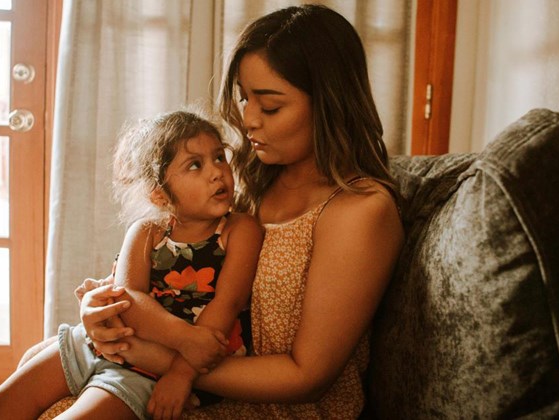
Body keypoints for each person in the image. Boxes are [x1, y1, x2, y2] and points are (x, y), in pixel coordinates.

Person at [77, 4, 405, 419]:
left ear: (329, 104)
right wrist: (104, 311)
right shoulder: (249, 186)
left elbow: (307, 378)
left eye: (269, 107)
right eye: (244, 99)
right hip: (181, 380)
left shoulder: (360, 212)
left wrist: (159, 360)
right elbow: (173, 281)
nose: (248, 120)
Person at [0, 109, 264, 419]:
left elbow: (227, 305)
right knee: (2, 405)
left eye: (218, 157)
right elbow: (128, 299)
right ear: (160, 195)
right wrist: (185, 338)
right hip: (96, 342)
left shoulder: (240, 230)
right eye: (195, 165)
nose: (216, 172)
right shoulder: (146, 232)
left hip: (146, 370)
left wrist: (181, 374)